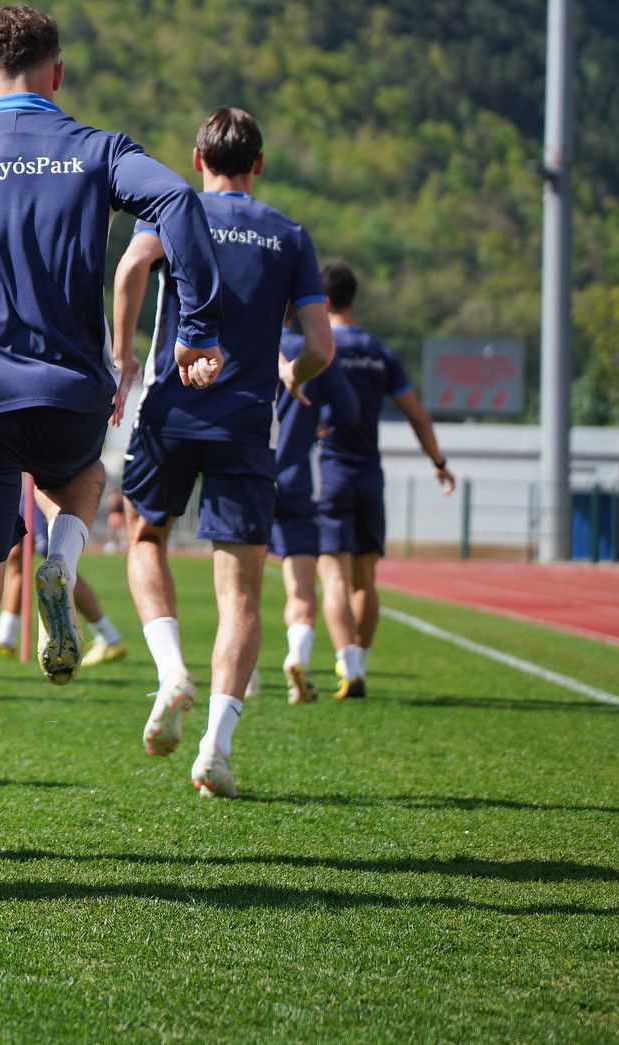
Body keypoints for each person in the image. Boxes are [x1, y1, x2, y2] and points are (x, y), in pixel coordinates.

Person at [0, 5, 222, 857]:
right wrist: (198, 326)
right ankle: (63, 551)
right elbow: (178, 198)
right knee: (81, 478)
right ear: (56, 74)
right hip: (67, 396)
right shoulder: (96, 149)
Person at [109, 107, 331, 798]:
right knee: (241, 594)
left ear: (197, 160)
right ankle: (215, 748)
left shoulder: (176, 210)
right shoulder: (290, 235)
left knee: (145, 537)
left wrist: (124, 355)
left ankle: (171, 668)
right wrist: (292, 373)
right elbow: (322, 345)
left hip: (171, 410)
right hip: (246, 422)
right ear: (258, 165)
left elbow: (131, 268)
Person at [314, 262, 454, 699]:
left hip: (330, 472)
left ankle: (348, 666)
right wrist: (438, 461)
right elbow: (417, 414)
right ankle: (361, 661)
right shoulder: (380, 352)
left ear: (323, 301)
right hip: (369, 475)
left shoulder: (319, 348)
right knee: (365, 580)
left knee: (333, 577)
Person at [269, 325, 360, 704]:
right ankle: (297, 656)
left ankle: (245, 675)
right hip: (295, 480)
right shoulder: (315, 349)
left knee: (236, 586)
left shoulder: (245, 337)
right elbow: (349, 411)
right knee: (301, 584)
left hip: (245, 475)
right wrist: (319, 414)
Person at [0, 503, 128, 668]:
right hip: (23, 492)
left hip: (41, 494)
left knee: (56, 564)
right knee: (17, 552)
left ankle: (109, 636)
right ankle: (5, 634)